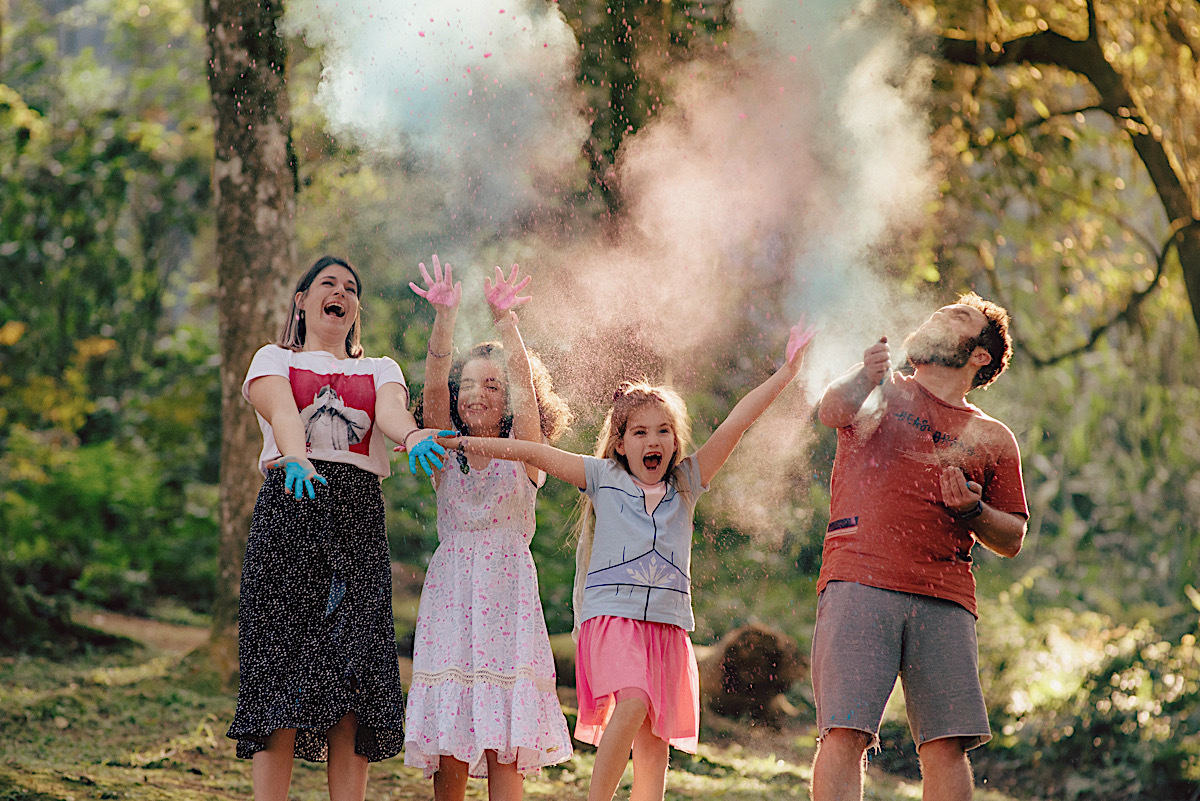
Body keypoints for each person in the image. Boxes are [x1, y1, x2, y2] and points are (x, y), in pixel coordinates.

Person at [435, 319, 817, 801]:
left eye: (662, 432)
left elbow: (736, 423)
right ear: (620, 443)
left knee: (656, 743)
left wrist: (786, 373)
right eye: (639, 432)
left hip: (668, 626)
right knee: (633, 701)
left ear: (675, 442)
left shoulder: (687, 483)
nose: (652, 441)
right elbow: (529, 450)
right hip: (613, 620)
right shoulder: (601, 476)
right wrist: (459, 443)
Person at [226, 255, 446, 801]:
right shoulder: (271, 357)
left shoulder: (380, 368)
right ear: (302, 300)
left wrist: (414, 435)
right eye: (329, 284)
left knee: (353, 680)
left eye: (351, 288)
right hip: (290, 509)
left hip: (356, 520)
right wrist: (296, 454)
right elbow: (279, 409)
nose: (341, 293)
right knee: (280, 677)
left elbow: (391, 412)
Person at [809, 292, 1028, 801]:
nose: (936, 317)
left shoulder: (994, 438)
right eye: (938, 312)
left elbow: (1012, 536)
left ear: (980, 355)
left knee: (946, 745)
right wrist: (865, 375)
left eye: (956, 317)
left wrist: (973, 512)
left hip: (946, 597)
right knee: (845, 730)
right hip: (858, 578)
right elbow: (831, 410)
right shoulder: (878, 387)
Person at [401, 256, 574, 800]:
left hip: (507, 600)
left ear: (512, 399)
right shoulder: (445, 453)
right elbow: (432, 388)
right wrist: (444, 320)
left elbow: (524, 383)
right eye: (469, 384)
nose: (477, 393)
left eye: (492, 384)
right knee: (452, 731)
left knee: (505, 735)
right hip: (452, 596)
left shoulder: (526, 455)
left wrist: (507, 325)